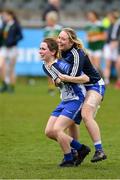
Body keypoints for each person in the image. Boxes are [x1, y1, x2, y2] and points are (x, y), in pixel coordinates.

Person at [53, 28, 107, 163]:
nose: (59, 41)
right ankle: (77, 152)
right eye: (59, 38)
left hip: (94, 85)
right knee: (71, 121)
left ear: (71, 41)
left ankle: (99, 150)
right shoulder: (60, 53)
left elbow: (75, 75)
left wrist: (61, 79)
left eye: (63, 39)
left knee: (86, 114)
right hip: (80, 87)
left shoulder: (77, 53)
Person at [39, 38, 91, 167]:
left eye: (43, 49)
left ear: (52, 52)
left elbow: (85, 77)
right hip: (65, 100)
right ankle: (80, 148)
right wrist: (58, 81)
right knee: (49, 132)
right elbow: (57, 80)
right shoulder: (45, 66)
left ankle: (68, 159)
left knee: (57, 130)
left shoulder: (62, 64)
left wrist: (65, 79)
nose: (40, 51)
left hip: (76, 99)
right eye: (40, 48)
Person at [0, 9, 23, 93]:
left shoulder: (16, 25)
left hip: (13, 48)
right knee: (1, 66)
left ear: (11, 15)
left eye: (6, 15)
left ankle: (11, 87)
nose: (4, 17)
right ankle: (4, 84)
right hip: (4, 48)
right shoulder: (4, 24)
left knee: (11, 68)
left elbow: (20, 36)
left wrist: (13, 40)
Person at [43, 11, 62, 95]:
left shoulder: (59, 29)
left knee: (59, 69)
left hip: (57, 51)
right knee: (48, 68)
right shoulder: (46, 29)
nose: (47, 21)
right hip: (48, 52)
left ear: (53, 20)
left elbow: (61, 40)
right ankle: (51, 87)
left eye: (48, 20)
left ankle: (60, 85)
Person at [103, 10, 119, 85]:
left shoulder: (118, 26)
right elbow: (106, 37)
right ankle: (106, 79)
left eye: (110, 16)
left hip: (116, 46)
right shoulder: (108, 26)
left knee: (117, 64)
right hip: (108, 46)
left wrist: (116, 43)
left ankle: (119, 79)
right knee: (108, 63)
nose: (108, 18)